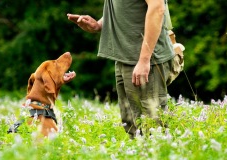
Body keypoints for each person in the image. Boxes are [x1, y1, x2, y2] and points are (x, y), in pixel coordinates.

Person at [67, 0, 175, 139]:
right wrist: (99, 24)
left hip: (145, 60)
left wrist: (144, 60)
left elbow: (157, 9)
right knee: (132, 128)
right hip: (125, 58)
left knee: (153, 131)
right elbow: (127, 7)